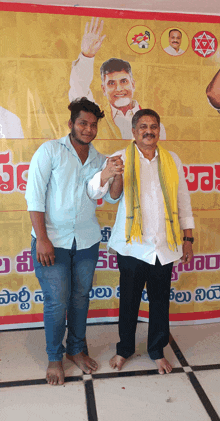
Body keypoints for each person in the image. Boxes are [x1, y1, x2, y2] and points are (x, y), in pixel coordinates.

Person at [88, 108, 194, 374]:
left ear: (159, 130)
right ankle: (124, 349)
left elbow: (183, 200)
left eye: (154, 126)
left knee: (160, 302)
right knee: (129, 303)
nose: (149, 131)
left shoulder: (172, 160)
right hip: (132, 246)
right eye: (143, 126)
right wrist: (110, 173)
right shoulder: (120, 158)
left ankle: (157, 351)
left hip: (165, 247)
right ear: (133, 132)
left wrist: (188, 237)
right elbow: (100, 193)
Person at [25, 97, 122, 385]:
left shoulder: (99, 160)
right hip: (52, 241)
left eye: (93, 125)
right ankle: (55, 357)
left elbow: (107, 195)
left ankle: (75, 350)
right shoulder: (50, 151)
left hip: (87, 242)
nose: (88, 129)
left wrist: (114, 172)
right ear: (71, 124)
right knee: (57, 302)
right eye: (83, 123)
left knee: (80, 298)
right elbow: (34, 198)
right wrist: (42, 238)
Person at [69, 17, 166, 140]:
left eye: (124, 81)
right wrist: (87, 56)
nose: (119, 88)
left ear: (133, 84)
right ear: (103, 89)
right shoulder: (97, 119)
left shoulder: (154, 127)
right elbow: (78, 90)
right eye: (111, 83)